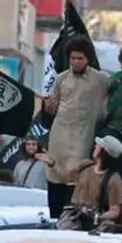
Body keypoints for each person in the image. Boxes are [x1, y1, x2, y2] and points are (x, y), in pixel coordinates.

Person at [43, 35, 109, 217]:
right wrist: (48, 106)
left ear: (88, 59)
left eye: (80, 58)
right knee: (54, 174)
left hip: (83, 136)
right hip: (59, 135)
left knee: (77, 174)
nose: (76, 62)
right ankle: (54, 218)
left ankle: (71, 220)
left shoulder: (101, 79)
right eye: (73, 58)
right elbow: (52, 108)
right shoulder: (61, 79)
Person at [58, 135, 122, 232]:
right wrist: (52, 164)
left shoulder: (114, 179)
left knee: (105, 230)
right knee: (64, 228)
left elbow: (115, 211)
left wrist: (96, 216)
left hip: (97, 219)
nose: (95, 146)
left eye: (98, 146)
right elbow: (67, 178)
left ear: (103, 152)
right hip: (74, 215)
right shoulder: (85, 166)